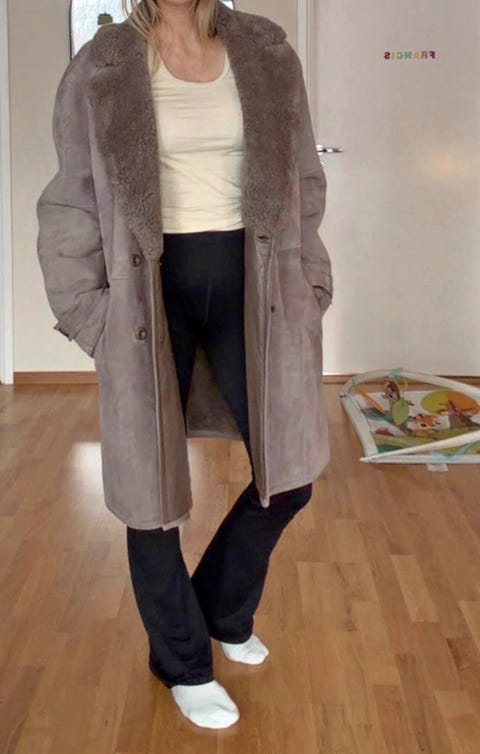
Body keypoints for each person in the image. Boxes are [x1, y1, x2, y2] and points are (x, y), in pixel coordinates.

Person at [36, 0, 333, 731]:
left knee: (289, 474)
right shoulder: (103, 63)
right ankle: (181, 660)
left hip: (255, 281)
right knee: (149, 486)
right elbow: (71, 199)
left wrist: (311, 283)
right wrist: (90, 314)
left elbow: (303, 177)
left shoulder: (266, 49)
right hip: (147, 287)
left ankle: (221, 612)